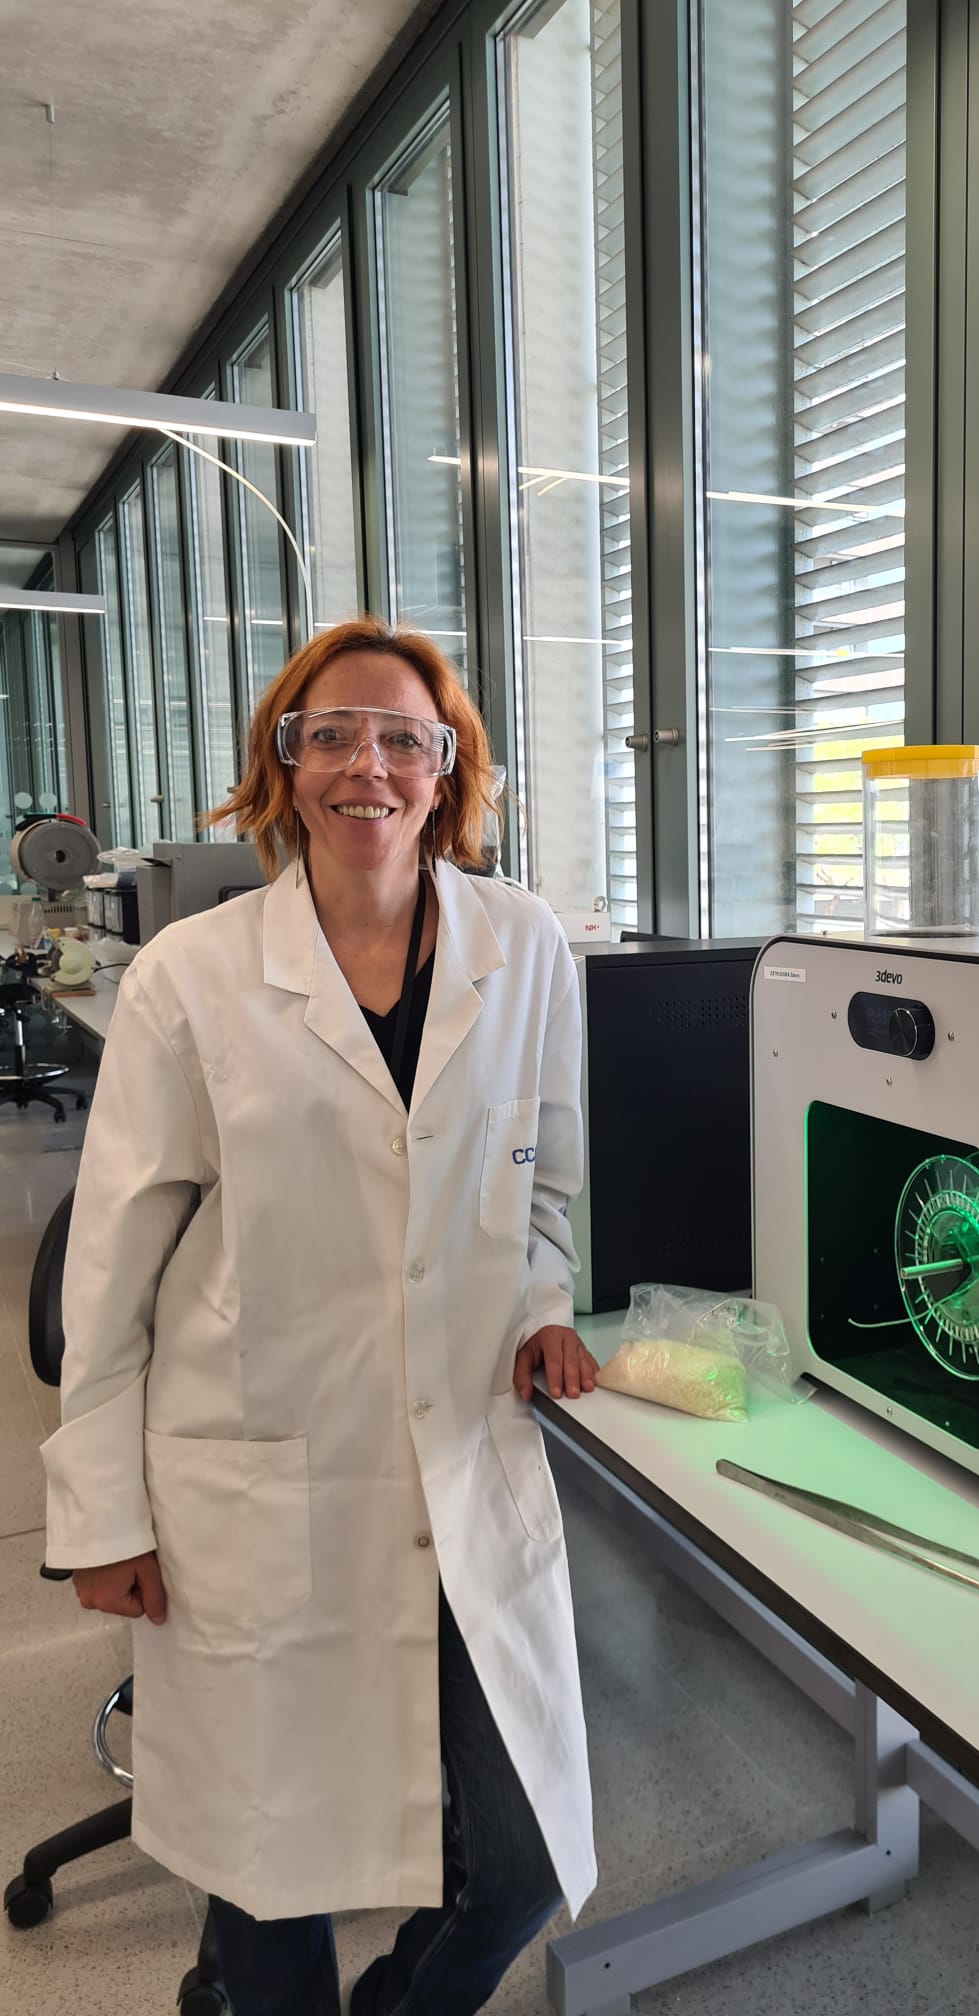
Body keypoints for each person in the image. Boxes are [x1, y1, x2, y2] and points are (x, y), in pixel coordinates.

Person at [41, 616, 600, 2016]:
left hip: (462, 1454)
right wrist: (102, 1514)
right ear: (283, 765)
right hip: (257, 1470)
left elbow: (544, 1189)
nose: (369, 765)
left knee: (523, 1862)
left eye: (404, 737)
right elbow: (110, 1268)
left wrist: (542, 1306)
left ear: (448, 767)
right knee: (267, 1865)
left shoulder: (527, 947)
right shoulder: (192, 977)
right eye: (330, 735)